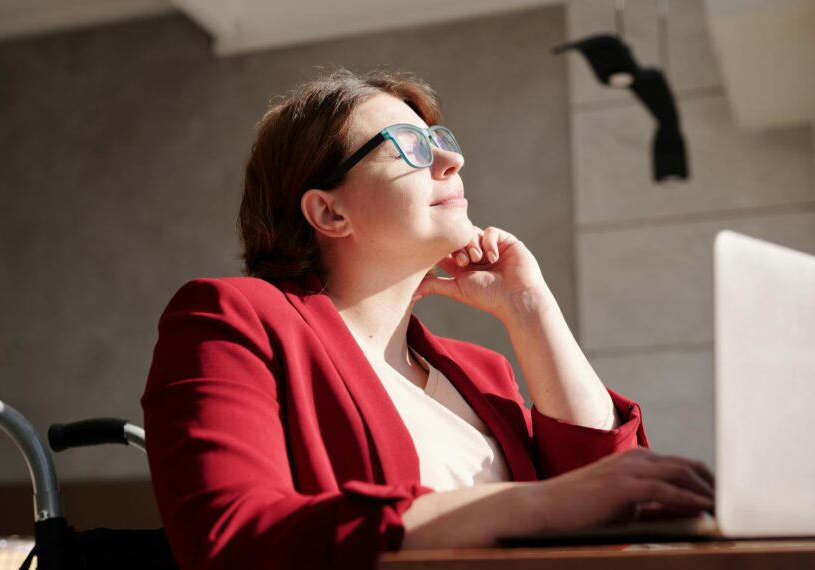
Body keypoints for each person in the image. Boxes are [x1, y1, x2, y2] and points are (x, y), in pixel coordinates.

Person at [141, 69, 714, 570]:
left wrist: (531, 310)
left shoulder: (480, 371)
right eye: (411, 145)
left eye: (440, 139)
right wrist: (535, 505)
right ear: (329, 211)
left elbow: (612, 505)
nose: (452, 159)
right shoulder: (233, 318)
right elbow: (230, 540)